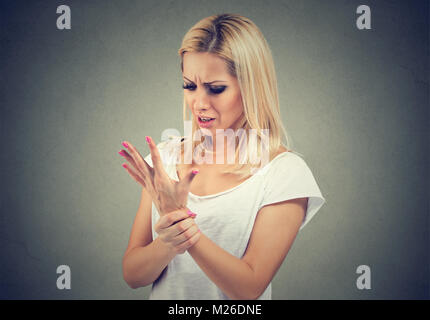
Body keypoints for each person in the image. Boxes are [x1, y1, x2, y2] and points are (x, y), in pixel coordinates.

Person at [119, 13, 326, 300]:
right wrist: (167, 242)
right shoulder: (164, 159)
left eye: (216, 89)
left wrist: (180, 223)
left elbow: (248, 288)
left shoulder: (284, 172)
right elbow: (133, 275)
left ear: (252, 87)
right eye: (189, 86)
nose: (199, 103)